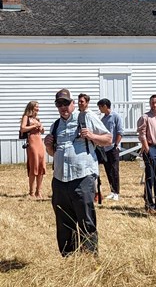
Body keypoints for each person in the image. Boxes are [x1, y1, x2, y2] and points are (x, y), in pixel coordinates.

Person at [43, 89, 111, 256]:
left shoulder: (86, 117)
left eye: (66, 103)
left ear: (73, 103)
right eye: (59, 104)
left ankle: (90, 257)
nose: (63, 107)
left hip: (83, 177)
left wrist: (92, 136)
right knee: (64, 221)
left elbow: (108, 138)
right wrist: (48, 145)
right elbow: (54, 153)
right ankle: (69, 258)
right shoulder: (55, 125)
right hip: (60, 179)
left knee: (86, 218)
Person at [97, 98, 124, 201]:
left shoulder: (116, 116)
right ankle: (112, 191)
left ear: (105, 106)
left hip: (113, 147)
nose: (99, 109)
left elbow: (120, 131)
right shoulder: (103, 119)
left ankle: (117, 192)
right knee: (108, 170)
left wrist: (116, 144)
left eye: (100, 107)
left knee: (114, 170)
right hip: (105, 148)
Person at [20, 101, 46, 199]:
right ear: (31, 108)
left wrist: (41, 128)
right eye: (36, 107)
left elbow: (42, 131)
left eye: (38, 107)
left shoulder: (37, 119)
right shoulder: (26, 117)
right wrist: (34, 126)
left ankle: (38, 191)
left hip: (39, 141)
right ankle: (31, 192)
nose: (38, 109)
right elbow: (22, 128)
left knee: (41, 165)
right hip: (32, 141)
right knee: (34, 165)